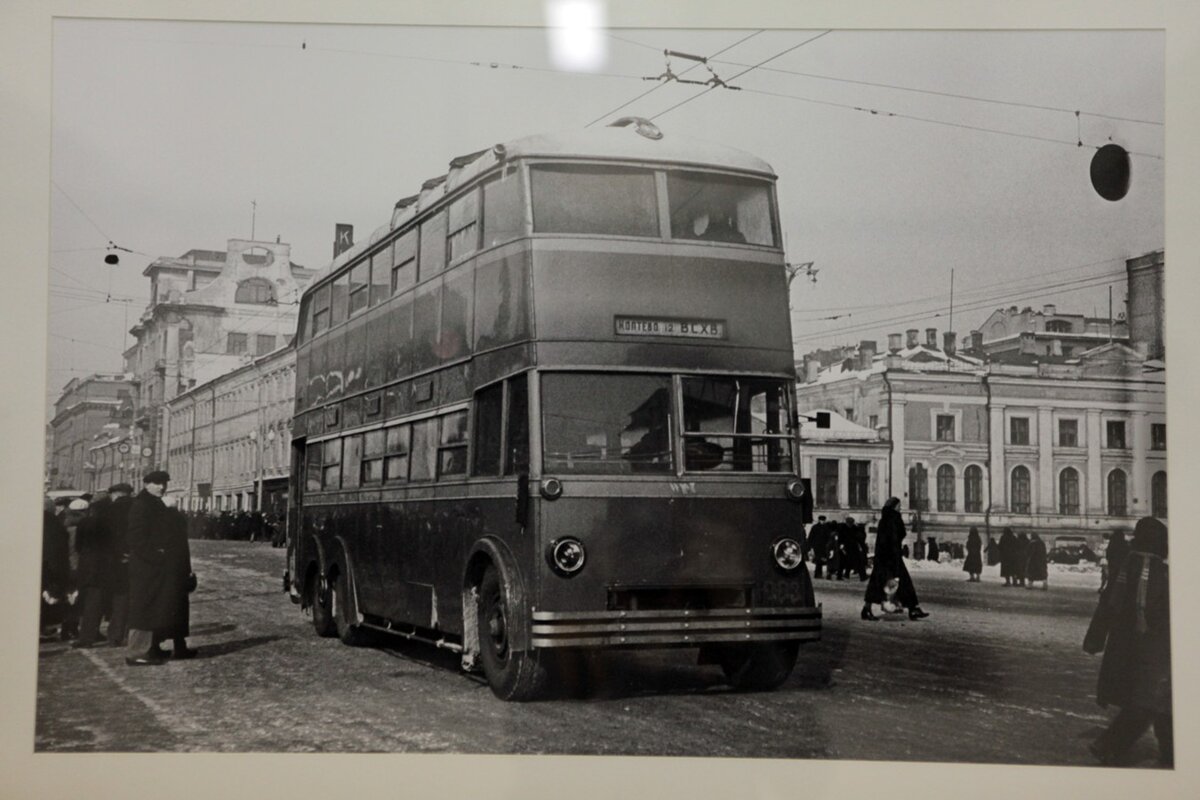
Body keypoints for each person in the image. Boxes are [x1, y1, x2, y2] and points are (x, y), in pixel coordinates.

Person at [1084, 517, 1171, 767]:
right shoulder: (1155, 569)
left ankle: (1171, 752)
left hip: (1128, 647)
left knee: (1161, 702)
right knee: (1152, 702)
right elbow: (1160, 610)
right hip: (1154, 650)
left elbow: (1107, 605)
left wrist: (1095, 639)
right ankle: (1110, 745)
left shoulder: (1126, 566)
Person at [125, 470, 175, 666]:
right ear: (146, 484)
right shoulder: (142, 505)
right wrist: (157, 555)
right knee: (143, 608)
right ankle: (136, 652)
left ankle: (152, 647)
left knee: (155, 607)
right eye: (157, 483)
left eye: (164, 483)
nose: (162, 487)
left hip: (155, 567)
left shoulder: (153, 503)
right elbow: (135, 538)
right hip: (146, 567)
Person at [861, 497, 928, 621]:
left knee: (880, 584)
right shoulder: (893, 519)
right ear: (893, 506)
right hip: (891, 558)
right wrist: (895, 555)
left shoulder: (885, 519)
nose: (900, 507)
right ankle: (912, 609)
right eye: (898, 505)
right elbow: (894, 539)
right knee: (896, 583)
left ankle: (912, 608)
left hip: (884, 558)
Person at [156, 495, 198, 659]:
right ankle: (180, 647)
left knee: (160, 608)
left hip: (161, 571)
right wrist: (188, 571)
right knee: (178, 610)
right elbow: (184, 549)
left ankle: (155, 645)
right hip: (178, 571)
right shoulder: (179, 521)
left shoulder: (158, 521)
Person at [70, 491, 112, 648]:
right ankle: (87, 637)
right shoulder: (107, 524)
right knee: (95, 603)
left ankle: (89, 634)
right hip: (101, 568)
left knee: (87, 602)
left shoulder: (84, 523)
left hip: (86, 566)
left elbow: (78, 546)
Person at [102, 482, 135, 647]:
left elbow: (106, 537)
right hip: (134, 559)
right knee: (134, 598)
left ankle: (114, 635)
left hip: (114, 560)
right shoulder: (137, 509)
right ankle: (131, 635)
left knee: (118, 599)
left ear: (115, 495)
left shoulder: (108, 511)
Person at [41, 496, 71, 641]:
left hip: (43, 564)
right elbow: (57, 547)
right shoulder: (52, 522)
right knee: (49, 597)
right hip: (49, 565)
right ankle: (45, 626)